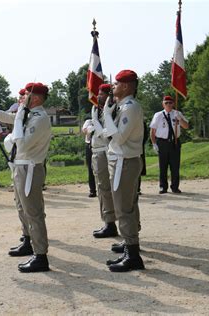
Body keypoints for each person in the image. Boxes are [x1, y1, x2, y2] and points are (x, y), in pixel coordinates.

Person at [0, 82, 52, 273]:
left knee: (33, 211)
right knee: (22, 207)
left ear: (37, 99)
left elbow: (22, 144)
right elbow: (7, 116)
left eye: (26, 96)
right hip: (20, 167)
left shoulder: (39, 118)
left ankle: (41, 255)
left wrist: (10, 136)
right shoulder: (27, 115)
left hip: (30, 168)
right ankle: (28, 241)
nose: (21, 99)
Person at [102, 70, 145, 272]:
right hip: (122, 160)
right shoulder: (122, 106)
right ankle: (130, 244)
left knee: (123, 208)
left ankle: (133, 254)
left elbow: (119, 138)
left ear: (126, 86)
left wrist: (105, 116)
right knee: (127, 205)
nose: (113, 86)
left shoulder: (130, 108)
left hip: (125, 162)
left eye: (117, 83)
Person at [90, 84, 118, 238]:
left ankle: (114, 223)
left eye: (102, 94)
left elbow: (107, 134)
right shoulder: (97, 110)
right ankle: (108, 221)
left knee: (111, 189)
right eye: (98, 93)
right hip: (97, 151)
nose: (98, 96)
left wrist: (95, 123)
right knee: (102, 189)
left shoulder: (113, 111)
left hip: (106, 151)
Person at [150, 95, 189, 194]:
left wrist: (180, 119)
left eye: (170, 102)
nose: (168, 104)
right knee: (163, 166)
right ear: (163, 104)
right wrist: (154, 143)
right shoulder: (158, 115)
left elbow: (186, 126)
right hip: (162, 142)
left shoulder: (177, 113)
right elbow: (152, 131)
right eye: (166, 102)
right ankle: (163, 187)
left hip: (174, 142)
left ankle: (175, 187)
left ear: (173, 103)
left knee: (175, 166)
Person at [82, 117, 97, 197]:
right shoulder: (89, 121)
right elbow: (84, 130)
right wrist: (90, 128)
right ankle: (92, 190)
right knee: (90, 169)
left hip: (100, 147)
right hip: (89, 146)